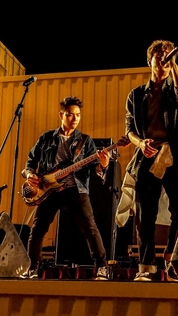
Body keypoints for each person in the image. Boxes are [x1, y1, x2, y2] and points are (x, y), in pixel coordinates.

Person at [122, 39, 178, 282]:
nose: (163, 59)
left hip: (175, 157)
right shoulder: (136, 95)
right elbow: (129, 129)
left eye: (168, 56)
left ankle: (172, 258)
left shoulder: (177, 87)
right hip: (147, 157)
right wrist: (140, 143)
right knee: (145, 215)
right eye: (159, 56)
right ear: (149, 61)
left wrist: (174, 65)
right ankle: (146, 267)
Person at [21, 96, 111, 280]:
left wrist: (103, 164)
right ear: (61, 115)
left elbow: (95, 168)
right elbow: (30, 161)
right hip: (48, 189)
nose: (75, 118)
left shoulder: (85, 141)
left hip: (75, 190)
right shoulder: (46, 138)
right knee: (37, 230)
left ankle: (102, 267)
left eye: (78, 115)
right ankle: (32, 269)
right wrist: (29, 175)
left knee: (90, 228)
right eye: (70, 114)